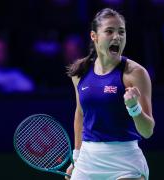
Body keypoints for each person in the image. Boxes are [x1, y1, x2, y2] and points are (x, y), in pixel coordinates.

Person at [66, 8, 155, 180]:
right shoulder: (80, 73)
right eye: (109, 31)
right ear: (94, 36)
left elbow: (147, 131)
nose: (117, 37)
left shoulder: (135, 73)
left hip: (125, 160)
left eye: (121, 32)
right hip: (88, 159)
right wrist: (76, 158)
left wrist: (134, 108)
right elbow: (80, 114)